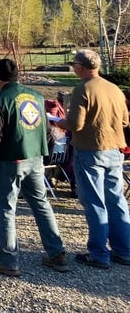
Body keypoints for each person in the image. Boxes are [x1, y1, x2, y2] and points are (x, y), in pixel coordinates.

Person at [0, 59, 68, 276]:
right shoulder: (37, 96)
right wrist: (41, 153)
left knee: (5, 209)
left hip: (8, 162)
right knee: (41, 205)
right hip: (35, 158)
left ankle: (8, 260)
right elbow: (48, 131)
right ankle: (56, 253)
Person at [58, 49, 130, 269]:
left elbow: (76, 124)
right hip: (114, 150)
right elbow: (125, 121)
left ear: (80, 67)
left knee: (94, 202)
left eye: (74, 66)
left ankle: (99, 254)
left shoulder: (83, 89)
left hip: (90, 150)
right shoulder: (114, 89)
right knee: (116, 201)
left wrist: (58, 122)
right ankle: (124, 250)